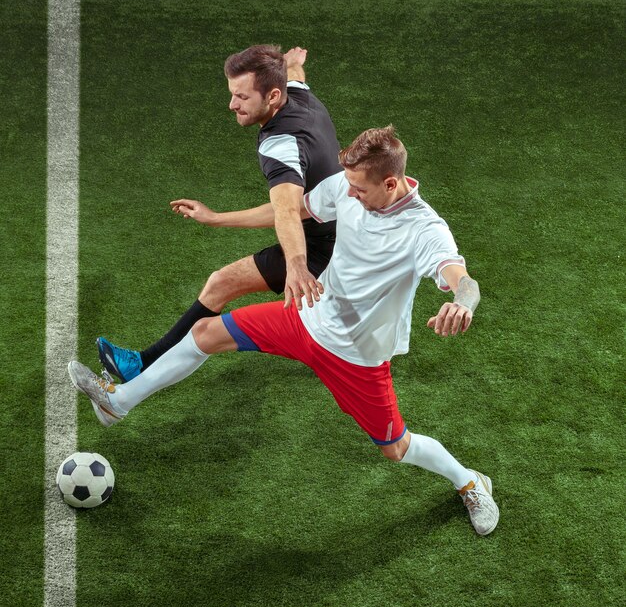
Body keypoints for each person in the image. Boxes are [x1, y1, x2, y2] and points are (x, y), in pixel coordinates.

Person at [69, 126, 499, 536]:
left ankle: (470, 483)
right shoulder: (349, 186)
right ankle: (118, 402)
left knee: (395, 449)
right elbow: (289, 210)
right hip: (306, 317)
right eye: (348, 184)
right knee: (205, 332)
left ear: (391, 183)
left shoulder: (425, 229)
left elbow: (461, 277)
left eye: (359, 189)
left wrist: (461, 303)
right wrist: (217, 218)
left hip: (356, 356)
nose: (348, 193)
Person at [97, 44, 341, 383]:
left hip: (322, 252)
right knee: (220, 281)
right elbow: (295, 74)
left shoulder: (280, 145)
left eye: (242, 97)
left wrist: (298, 266)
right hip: (334, 229)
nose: (232, 105)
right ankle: (142, 363)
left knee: (224, 287)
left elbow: (285, 211)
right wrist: (291, 63)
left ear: (271, 96)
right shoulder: (298, 94)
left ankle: (141, 367)